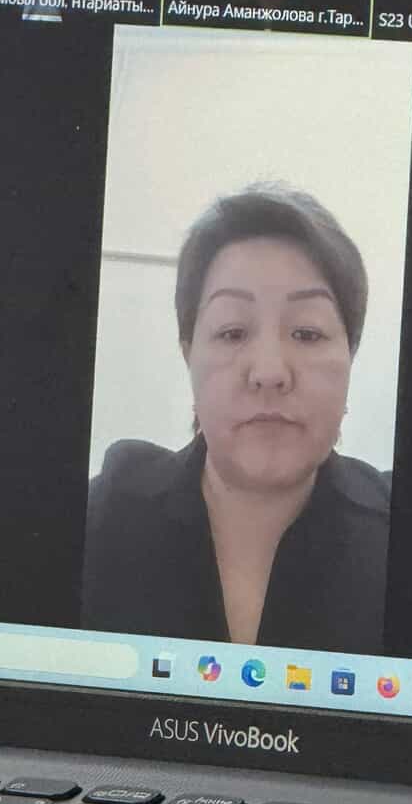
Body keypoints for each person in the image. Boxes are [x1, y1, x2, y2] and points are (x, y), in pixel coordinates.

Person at [81, 185, 389, 653]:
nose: (269, 372)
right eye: (232, 332)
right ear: (189, 355)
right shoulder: (101, 520)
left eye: (307, 333)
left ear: (350, 356)